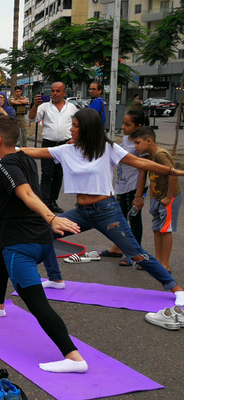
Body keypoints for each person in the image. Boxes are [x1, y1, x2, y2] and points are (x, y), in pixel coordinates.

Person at [20, 108, 185, 307]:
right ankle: (55, 279)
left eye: (75, 126)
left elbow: (140, 162)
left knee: (136, 253)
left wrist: (173, 171)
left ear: (87, 129)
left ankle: (176, 289)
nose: (71, 130)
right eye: (72, 125)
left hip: (106, 212)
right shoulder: (66, 150)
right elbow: (30, 151)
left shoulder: (108, 148)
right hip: (81, 212)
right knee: (45, 234)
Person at [0, 116, 88, 374]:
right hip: (41, 242)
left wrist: (53, 218)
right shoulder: (25, 158)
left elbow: (27, 193)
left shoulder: (4, 167)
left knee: (38, 305)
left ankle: (73, 357)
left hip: (21, 246)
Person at [101, 109, 150, 267]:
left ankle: (136, 254)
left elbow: (143, 169)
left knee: (134, 220)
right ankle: (117, 248)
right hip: (122, 185)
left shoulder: (139, 143)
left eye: (128, 124)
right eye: (123, 123)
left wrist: (138, 195)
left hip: (134, 187)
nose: (123, 127)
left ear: (138, 126)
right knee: (119, 218)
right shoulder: (125, 139)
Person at [131, 127, 183, 274]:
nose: (135, 146)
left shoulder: (160, 155)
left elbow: (173, 175)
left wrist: (168, 197)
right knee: (156, 229)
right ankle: (158, 261)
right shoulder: (150, 156)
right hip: (159, 198)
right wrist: (153, 199)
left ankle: (165, 264)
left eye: (137, 143)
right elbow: (153, 178)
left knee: (165, 230)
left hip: (169, 197)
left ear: (149, 141)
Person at [28, 82, 79, 214]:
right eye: (53, 91)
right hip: (48, 145)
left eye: (58, 91)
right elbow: (32, 118)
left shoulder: (72, 108)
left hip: (65, 145)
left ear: (64, 93)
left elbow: (79, 124)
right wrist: (35, 105)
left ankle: (52, 201)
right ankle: (43, 202)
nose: (55, 93)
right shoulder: (44, 106)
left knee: (59, 174)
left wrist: (74, 139)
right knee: (47, 174)